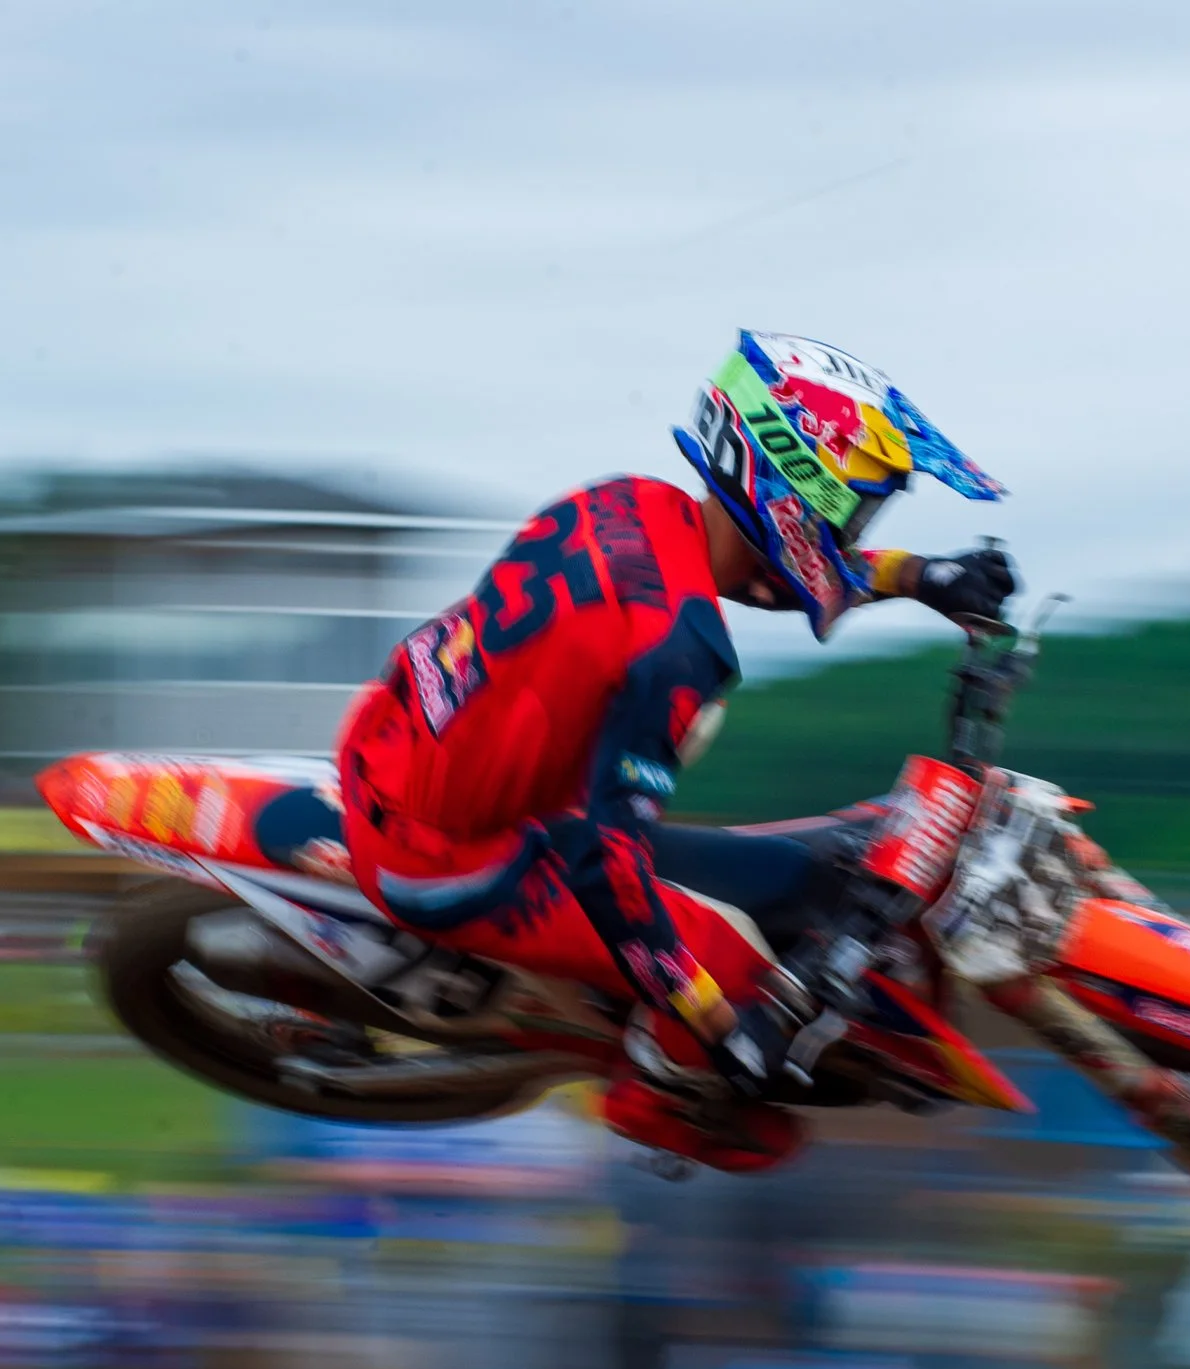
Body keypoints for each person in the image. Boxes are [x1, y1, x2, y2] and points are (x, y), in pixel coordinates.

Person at [335, 331, 1016, 1173]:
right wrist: (723, 1025)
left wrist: (919, 576)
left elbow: (755, 573)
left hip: (390, 736)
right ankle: (655, 1102)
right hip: (449, 858)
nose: (858, 530)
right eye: (855, 511)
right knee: (734, 965)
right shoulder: (678, 653)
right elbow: (609, 868)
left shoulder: (628, 503)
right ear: (792, 491)